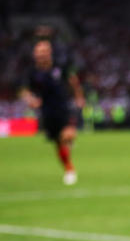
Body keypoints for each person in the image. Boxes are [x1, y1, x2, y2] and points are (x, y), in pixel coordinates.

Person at [20, 40, 84, 185]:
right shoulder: (32, 73)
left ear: (49, 52)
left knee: (68, 134)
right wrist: (31, 100)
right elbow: (24, 91)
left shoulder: (60, 67)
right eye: (39, 52)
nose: (41, 55)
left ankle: (68, 143)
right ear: (35, 54)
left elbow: (73, 81)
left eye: (44, 51)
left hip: (64, 108)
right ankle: (69, 168)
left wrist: (79, 97)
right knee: (59, 144)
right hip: (47, 112)